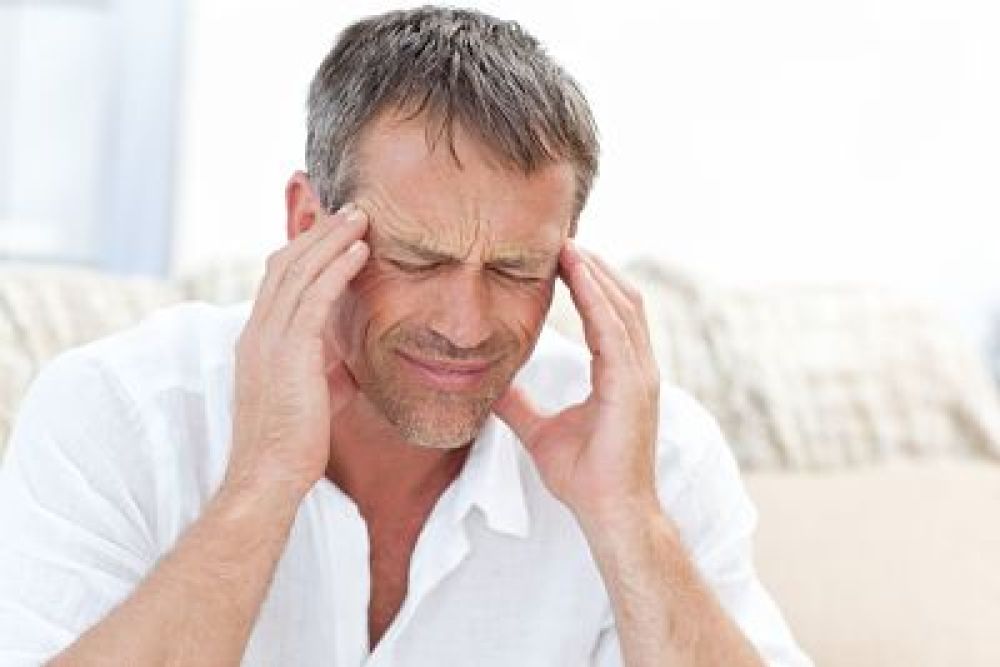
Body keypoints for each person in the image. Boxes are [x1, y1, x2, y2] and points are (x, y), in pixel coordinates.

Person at [0, 7, 813, 666]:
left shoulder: (650, 456)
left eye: (515, 269)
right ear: (307, 225)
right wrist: (263, 482)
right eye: (417, 259)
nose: (465, 327)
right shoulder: (117, 411)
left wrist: (630, 522)